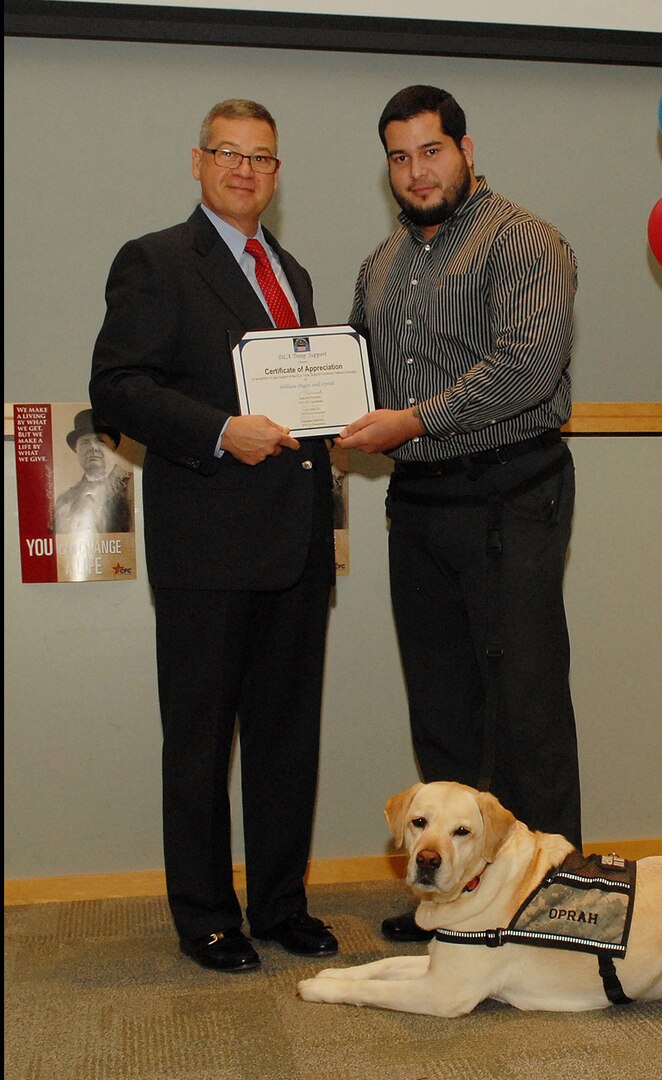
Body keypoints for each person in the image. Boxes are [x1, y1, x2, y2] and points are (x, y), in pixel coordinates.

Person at [89, 99, 338, 972]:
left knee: (286, 737)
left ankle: (280, 905)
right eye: (227, 154)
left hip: (296, 546)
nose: (245, 169)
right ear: (197, 163)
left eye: (262, 157)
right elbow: (117, 386)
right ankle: (205, 916)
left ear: (277, 173)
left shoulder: (293, 273)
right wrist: (217, 429)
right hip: (207, 545)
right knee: (199, 742)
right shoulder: (156, 261)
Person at [335, 85, 582, 943]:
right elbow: (356, 373)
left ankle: (555, 911)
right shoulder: (382, 265)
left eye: (430, 151)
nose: (416, 171)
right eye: (399, 157)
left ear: (466, 149)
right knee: (441, 708)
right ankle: (453, 905)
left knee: (525, 705)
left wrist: (415, 419)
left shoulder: (524, 240)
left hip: (512, 491)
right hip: (421, 503)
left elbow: (531, 363)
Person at [54, 409, 132, 534]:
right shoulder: (64, 501)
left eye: (100, 442)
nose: (93, 448)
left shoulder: (133, 488)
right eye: (85, 443)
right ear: (76, 450)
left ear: (113, 446)